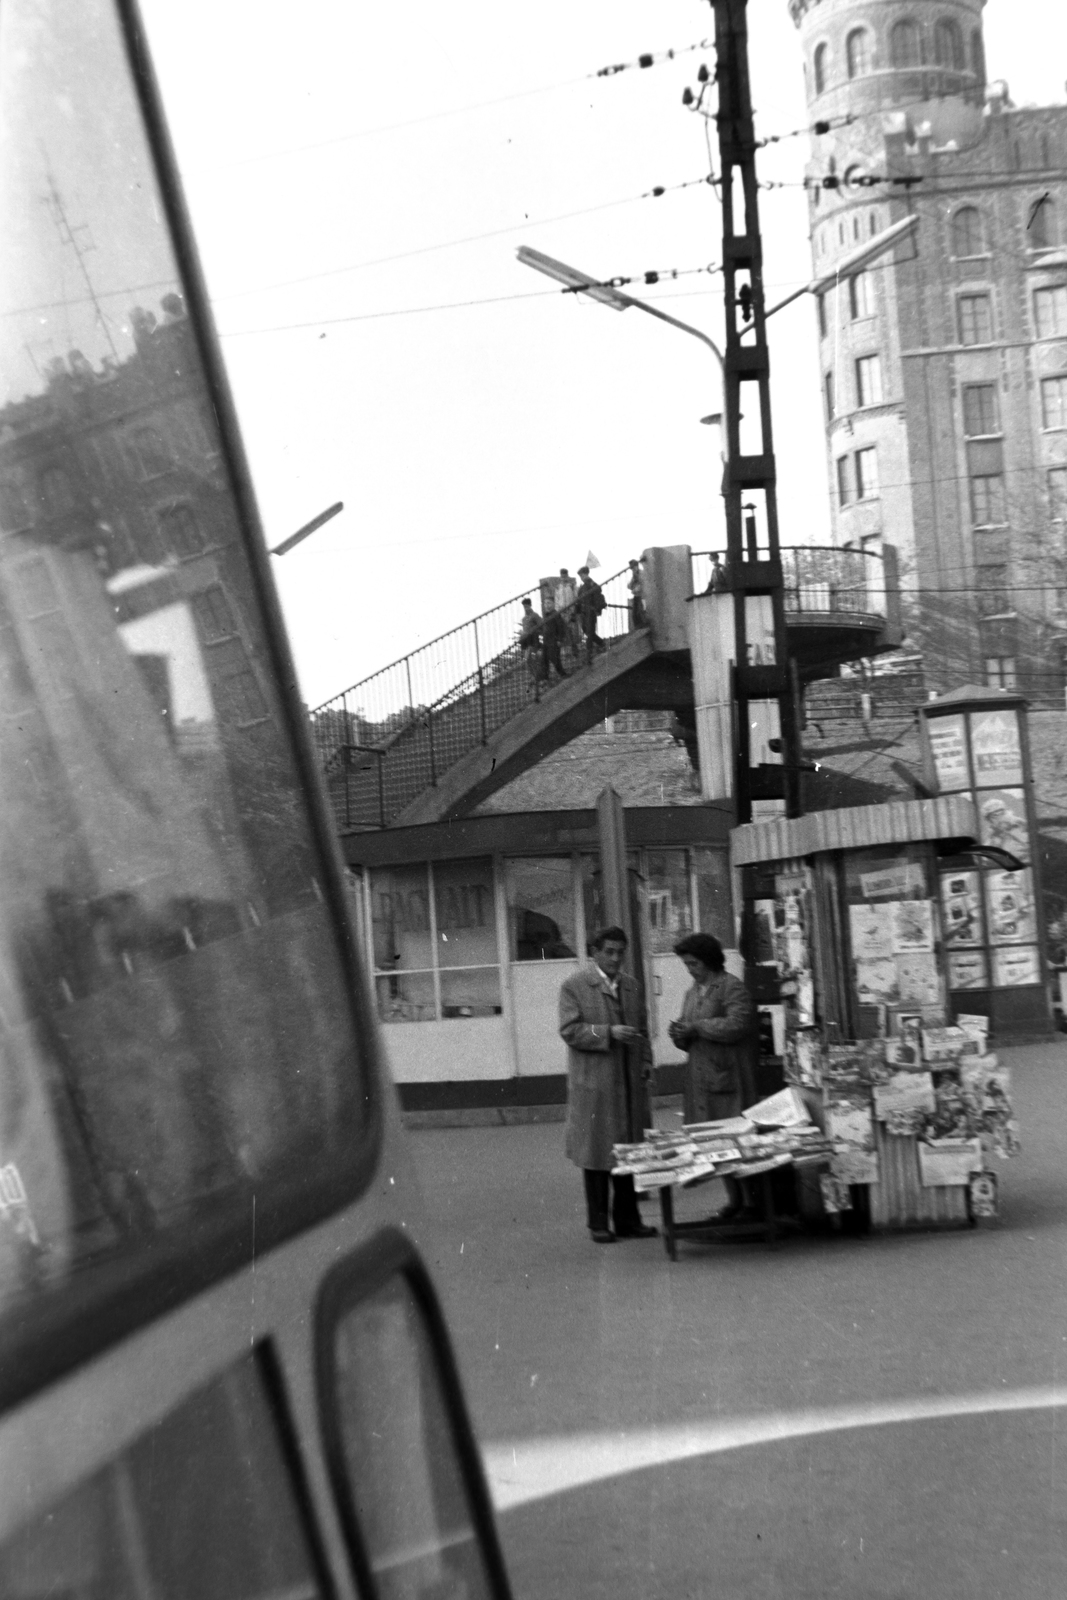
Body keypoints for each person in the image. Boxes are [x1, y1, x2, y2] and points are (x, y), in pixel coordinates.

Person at [559, 926, 656, 1244]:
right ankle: (598, 1223)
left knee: (628, 1152)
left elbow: (641, 1029)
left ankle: (629, 1220)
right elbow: (570, 1030)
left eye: (621, 952)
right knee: (598, 1154)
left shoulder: (631, 986)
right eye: (609, 952)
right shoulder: (574, 986)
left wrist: (645, 1064)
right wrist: (608, 1033)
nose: (616, 958)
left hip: (628, 1083)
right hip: (595, 1085)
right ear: (595, 953)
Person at [668, 931, 756, 1221]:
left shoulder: (731, 987)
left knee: (735, 1141)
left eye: (694, 963)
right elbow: (689, 1029)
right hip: (701, 1079)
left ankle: (750, 1204)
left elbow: (738, 1024)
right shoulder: (692, 992)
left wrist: (697, 1027)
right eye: (687, 965)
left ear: (709, 960)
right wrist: (679, 1033)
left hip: (727, 1077)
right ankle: (734, 1201)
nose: (690, 970)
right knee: (714, 1144)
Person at [576, 566, 606, 662]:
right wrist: (576, 612)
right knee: (588, 632)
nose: (581, 577)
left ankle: (589, 654)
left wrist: (597, 608)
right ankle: (602, 643)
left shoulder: (590, 583)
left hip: (591, 612)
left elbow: (598, 590)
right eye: (580, 576)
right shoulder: (582, 587)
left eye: (582, 575)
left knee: (589, 632)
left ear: (586, 574)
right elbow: (578, 600)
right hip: (584, 613)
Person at [540, 596, 569, 681]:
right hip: (546, 640)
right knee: (544, 659)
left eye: (549, 603)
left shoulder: (556, 614)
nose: (547, 605)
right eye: (545, 603)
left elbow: (561, 627)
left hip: (553, 640)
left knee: (554, 658)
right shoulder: (545, 615)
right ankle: (545, 677)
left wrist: (560, 639)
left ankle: (562, 673)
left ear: (553, 604)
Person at [517, 596, 542, 687]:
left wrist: (534, 631)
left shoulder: (535, 615)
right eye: (524, 607)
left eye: (527, 606)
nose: (526, 608)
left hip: (534, 639)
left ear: (530, 605)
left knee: (533, 658)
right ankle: (533, 676)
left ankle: (537, 677)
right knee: (527, 660)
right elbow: (525, 630)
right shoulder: (524, 619)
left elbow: (541, 625)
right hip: (526, 641)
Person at [627, 559, 647, 630]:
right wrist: (633, 580)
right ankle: (637, 626)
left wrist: (634, 590)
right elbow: (629, 586)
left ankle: (642, 625)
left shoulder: (641, 573)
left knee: (640, 611)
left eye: (633, 568)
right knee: (635, 613)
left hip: (641, 595)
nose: (632, 570)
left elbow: (642, 585)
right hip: (637, 595)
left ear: (636, 566)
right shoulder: (634, 576)